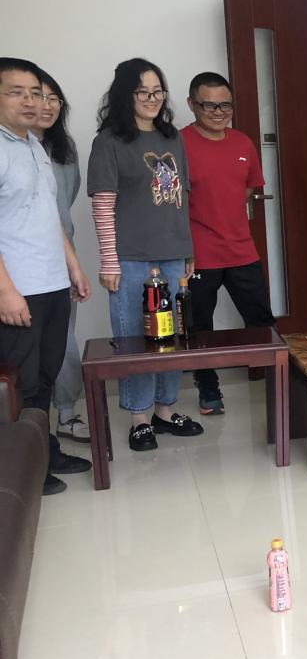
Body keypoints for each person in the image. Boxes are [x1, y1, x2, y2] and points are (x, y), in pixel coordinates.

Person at [87, 57, 204, 451]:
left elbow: (181, 199)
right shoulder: (109, 141)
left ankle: (165, 411)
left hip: (172, 253)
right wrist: (108, 260)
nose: (152, 99)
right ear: (126, 95)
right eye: (143, 92)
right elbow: (103, 205)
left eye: (158, 91)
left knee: (173, 335)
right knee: (135, 338)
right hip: (130, 257)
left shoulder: (172, 138)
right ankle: (139, 418)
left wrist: (187, 249)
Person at [0, 57, 93, 494]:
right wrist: (5, 291)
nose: (31, 101)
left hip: (52, 283)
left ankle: (43, 453)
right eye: (16, 92)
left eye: (35, 93)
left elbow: (49, 215)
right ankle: (22, 471)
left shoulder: (34, 145)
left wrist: (72, 266)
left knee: (47, 375)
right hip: (19, 291)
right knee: (23, 381)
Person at [181, 72, 276, 414]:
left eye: (226, 105)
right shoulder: (178, 144)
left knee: (262, 321)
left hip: (241, 249)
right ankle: (209, 389)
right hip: (198, 254)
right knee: (199, 327)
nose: (219, 112)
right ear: (192, 104)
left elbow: (249, 187)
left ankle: (278, 385)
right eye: (209, 105)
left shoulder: (242, 143)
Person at [32, 68, 90, 445]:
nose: (48, 105)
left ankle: (66, 413)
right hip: (22, 264)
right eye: (40, 97)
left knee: (64, 338)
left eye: (55, 99)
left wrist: (71, 261)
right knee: (28, 346)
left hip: (62, 255)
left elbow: (65, 202)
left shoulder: (63, 148)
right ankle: (30, 426)